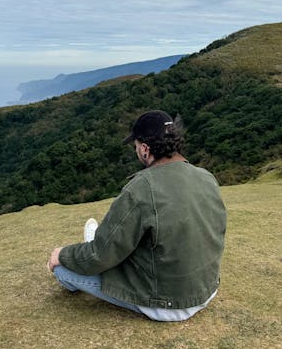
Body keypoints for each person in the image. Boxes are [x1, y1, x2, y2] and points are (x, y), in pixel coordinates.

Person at [47, 110, 227, 322]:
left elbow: (100, 255)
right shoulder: (206, 177)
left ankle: (85, 247)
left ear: (144, 149)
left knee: (62, 270)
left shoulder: (141, 189)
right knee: (119, 243)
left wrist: (62, 255)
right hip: (206, 290)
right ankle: (94, 238)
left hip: (166, 303)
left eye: (135, 146)